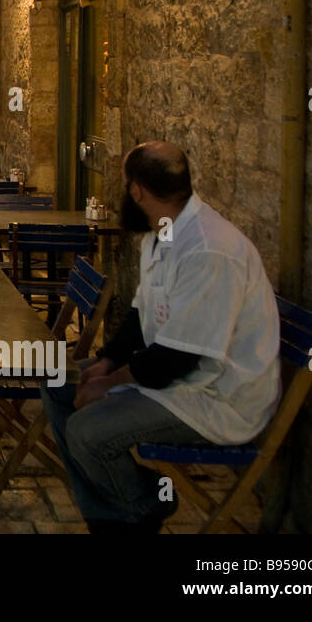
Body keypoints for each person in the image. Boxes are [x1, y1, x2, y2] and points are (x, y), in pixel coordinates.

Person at [39, 141, 281, 534]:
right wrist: (106, 361)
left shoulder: (208, 249)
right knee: (57, 383)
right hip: (174, 378)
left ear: (136, 191)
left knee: (87, 432)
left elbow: (177, 359)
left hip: (216, 396)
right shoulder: (161, 235)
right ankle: (114, 510)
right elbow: (140, 315)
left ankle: (142, 507)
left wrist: (107, 385)